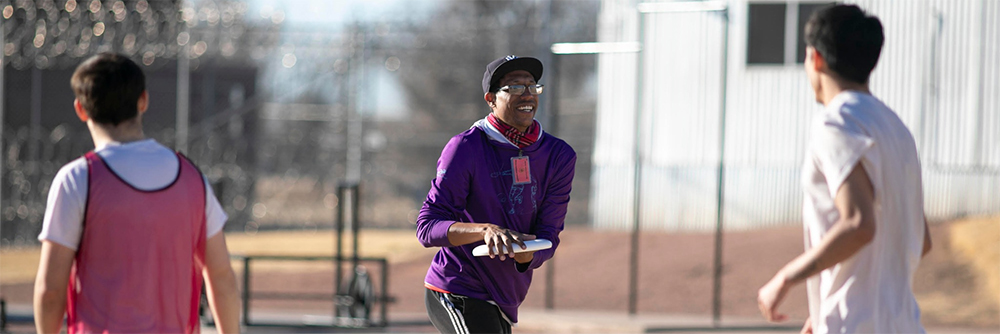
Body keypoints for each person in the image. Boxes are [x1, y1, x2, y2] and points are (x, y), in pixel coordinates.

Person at [33, 53, 241, 334]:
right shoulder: (193, 179)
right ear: (143, 101)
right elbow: (222, 278)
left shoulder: (79, 178)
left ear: (80, 109)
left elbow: (50, 291)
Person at [757, 5, 932, 334]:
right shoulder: (896, 128)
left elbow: (858, 223)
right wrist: (826, 305)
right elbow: (920, 239)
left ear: (816, 58)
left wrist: (785, 278)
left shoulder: (834, 122)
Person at [416, 55, 576, 333]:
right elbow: (427, 227)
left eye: (531, 86)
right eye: (514, 87)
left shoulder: (559, 155)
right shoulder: (465, 147)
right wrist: (485, 231)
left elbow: (548, 234)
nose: (527, 94)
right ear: (491, 99)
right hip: (457, 289)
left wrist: (525, 254)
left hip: (505, 297)